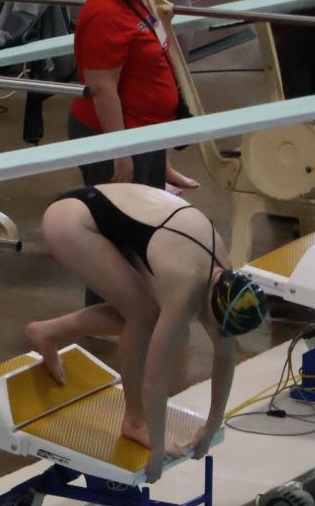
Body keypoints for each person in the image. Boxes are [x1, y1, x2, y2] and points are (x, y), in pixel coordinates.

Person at [22, 181, 261, 480]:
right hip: (71, 221)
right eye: (212, 325)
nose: (213, 332)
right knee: (143, 317)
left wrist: (213, 422)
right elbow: (154, 379)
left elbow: (226, 355)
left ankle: (47, 332)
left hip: (113, 216)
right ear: (208, 304)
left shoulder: (227, 279)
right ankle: (134, 421)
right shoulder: (186, 283)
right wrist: (157, 451)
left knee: (145, 313)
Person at [68, 0, 179, 190]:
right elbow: (102, 87)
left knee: (149, 217)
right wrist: (120, 152)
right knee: (124, 220)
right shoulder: (105, 13)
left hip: (145, 131)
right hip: (120, 135)